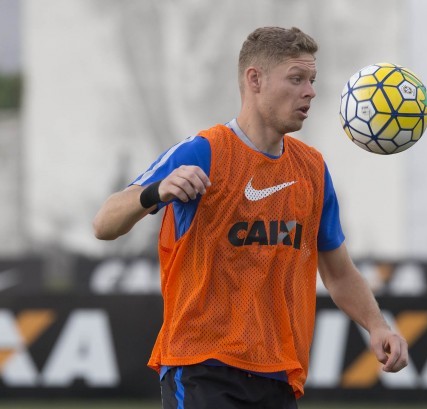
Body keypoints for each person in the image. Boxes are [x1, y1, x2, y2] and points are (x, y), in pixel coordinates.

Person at [93, 26, 408, 409]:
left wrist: (378, 327)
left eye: (312, 80)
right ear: (254, 79)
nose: (310, 91)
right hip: (200, 367)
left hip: (278, 375)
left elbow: (339, 272)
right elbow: (104, 224)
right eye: (296, 79)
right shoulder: (204, 151)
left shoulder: (311, 169)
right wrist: (155, 191)